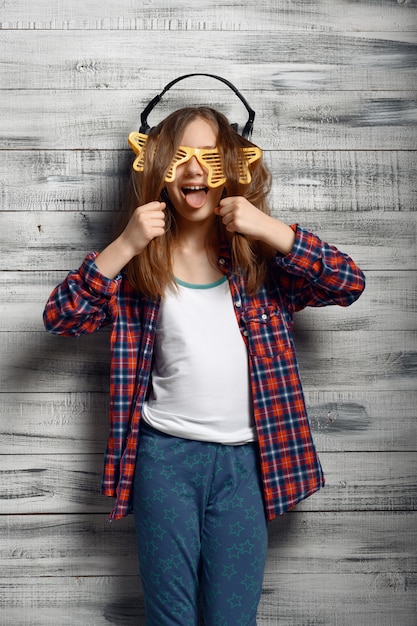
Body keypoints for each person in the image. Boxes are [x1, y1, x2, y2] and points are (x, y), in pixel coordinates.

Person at [43, 103, 365, 626]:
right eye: (181, 157)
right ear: (158, 167)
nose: (195, 170)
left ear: (234, 168)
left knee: (233, 616)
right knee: (170, 616)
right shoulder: (139, 267)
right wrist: (125, 242)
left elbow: (348, 283)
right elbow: (61, 317)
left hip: (245, 465)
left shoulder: (258, 262)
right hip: (165, 462)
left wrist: (270, 227)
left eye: (210, 158)